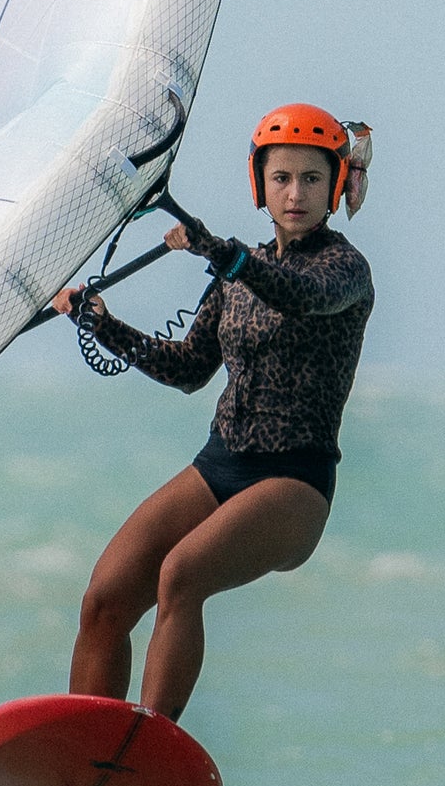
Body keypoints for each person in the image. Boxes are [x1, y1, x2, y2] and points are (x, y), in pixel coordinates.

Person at [50, 105, 374, 723]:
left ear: (335, 187)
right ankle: (80, 752)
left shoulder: (344, 270)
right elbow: (187, 369)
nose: (295, 193)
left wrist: (222, 254)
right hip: (220, 465)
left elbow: (302, 296)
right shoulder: (237, 273)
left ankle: (143, 754)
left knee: (181, 574)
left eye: (311, 178)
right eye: (281, 178)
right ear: (260, 185)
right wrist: (100, 321)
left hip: (293, 483)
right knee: (106, 597)